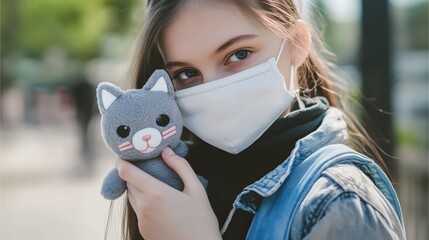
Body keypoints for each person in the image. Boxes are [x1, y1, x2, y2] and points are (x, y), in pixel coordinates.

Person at [111, 0, 406, 239]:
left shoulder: (341, 203)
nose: (214, 91)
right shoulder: (169, 191)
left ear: (297, 43)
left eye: (238, 54)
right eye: (186, 74)